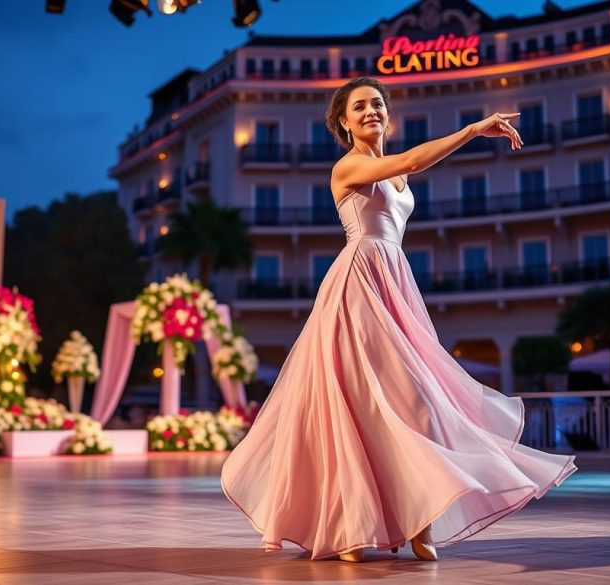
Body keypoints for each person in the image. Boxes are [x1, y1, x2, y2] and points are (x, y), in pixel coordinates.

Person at [220, 77, 578, 563]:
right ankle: (349, 526)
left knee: (417, 403)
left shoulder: (396, 176)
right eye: (360, 107)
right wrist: (473, 129)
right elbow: (410, 161)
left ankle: (417, 523)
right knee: (362, 404)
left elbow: (405, 170)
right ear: (344, 122)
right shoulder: (349, 165)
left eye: (377, 104)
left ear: (387, 114)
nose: (370, 111)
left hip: (395, 282)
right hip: (359, 280)